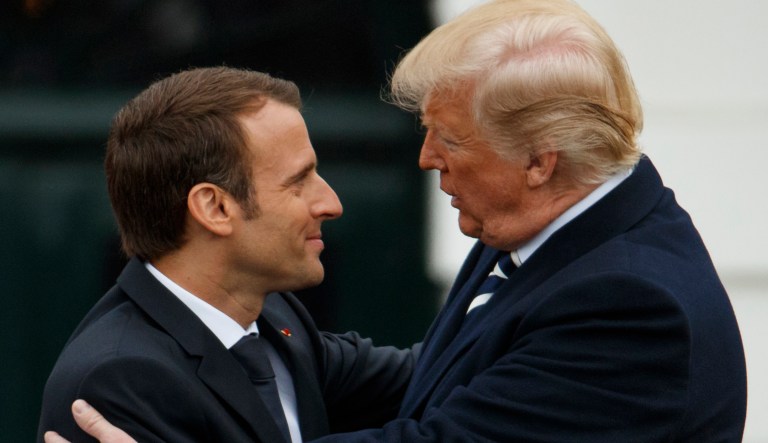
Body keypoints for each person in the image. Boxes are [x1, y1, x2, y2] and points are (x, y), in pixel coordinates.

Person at [45, 0, 748, 441]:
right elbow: (444, 369)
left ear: (539, 160)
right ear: (213, 207)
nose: (425, 158)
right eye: (298, 179)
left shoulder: (631, 304)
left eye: (451, 138)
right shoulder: (531, 228)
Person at [37, 66, 417, 443]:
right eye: (298, 182)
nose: (331, 204)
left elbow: (440, 369)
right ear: (214, 208)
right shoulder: (123, 378)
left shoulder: (275, 319)